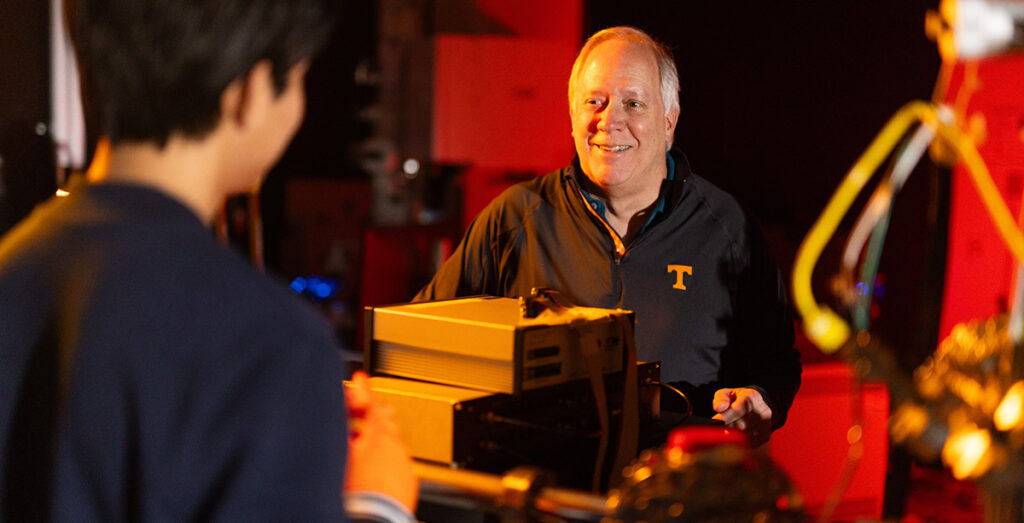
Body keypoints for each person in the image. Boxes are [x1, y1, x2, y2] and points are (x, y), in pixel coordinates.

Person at [0, 0, 416, 520]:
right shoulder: (270, 345)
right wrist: (380, 505)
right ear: (250, 92)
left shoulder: (12, 270)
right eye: (301, 78)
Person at [415, 26, 801, 446]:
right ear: (572, 115)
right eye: (594, 102)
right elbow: (421, 338)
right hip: (542, 495)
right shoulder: (515, 220)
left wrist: (762, 399)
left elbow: (777, 361)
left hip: (673, 495)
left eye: (633, 103)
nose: (609, 121)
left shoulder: (729, 231)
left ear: (668, 123)